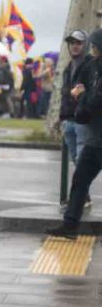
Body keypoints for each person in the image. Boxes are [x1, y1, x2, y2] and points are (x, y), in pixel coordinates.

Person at [49, 29, 102, 238]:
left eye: (94, 45)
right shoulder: (94, 68)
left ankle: (70, 225)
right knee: (80, 180)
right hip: (96, 139)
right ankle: (70, 226)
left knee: (80, 179)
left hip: (97, 138)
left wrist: (80, 95)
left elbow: (94, 103)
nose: (91, 48)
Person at [60, 30, 89, 168]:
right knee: (76, 161)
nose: (75, 46)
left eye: (79, 42)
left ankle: (80, 190)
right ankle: (81, 190)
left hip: (82, 121)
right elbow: (64, 93)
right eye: (72, 43)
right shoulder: (68, 67)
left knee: (81, 162)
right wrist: (62, 118)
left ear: (85, 44)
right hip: (69, 120)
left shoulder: (90, 65)